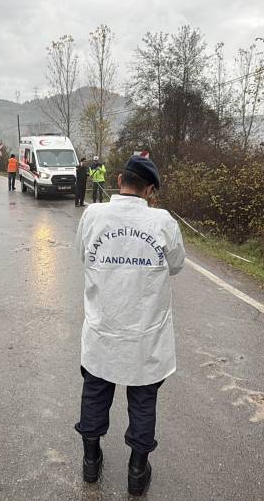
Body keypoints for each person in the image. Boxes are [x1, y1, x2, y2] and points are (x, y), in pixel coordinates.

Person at [74, 156, 185, 496]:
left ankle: (91, 461)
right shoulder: (162, 221)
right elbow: (176, 265)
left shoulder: (93, 215)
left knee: (95, 393)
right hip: (145, 336)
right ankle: (137, 471)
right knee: (143, 400)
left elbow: (82, 254)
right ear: (150, 190)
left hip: (103, 331)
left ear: (120, 179)